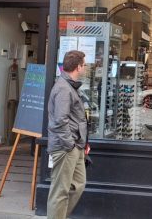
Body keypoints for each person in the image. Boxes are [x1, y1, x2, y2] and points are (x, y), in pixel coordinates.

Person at [47, 50, 88, 219]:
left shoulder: (69, 86)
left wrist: (82, 142)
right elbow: (60, 120)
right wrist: (70, 144)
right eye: (84, 65)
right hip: (66, 148)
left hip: (75, 145)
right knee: (60, 191)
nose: (85, 68)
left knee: (78, 184)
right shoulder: (64, 89)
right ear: (78, 67)